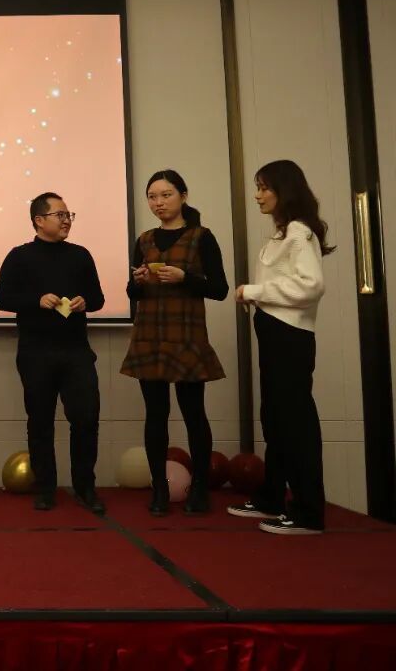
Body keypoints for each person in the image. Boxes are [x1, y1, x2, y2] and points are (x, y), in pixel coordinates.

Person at [229, 160, 331, 535]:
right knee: (275, 418)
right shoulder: (283, 233)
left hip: (290, 336)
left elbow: (311, 286)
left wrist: (254, 291)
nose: (257, 195)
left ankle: (307, 513)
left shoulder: (299, 233)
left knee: (294, 422)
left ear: (284, 190)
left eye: (264, 188)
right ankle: (272, 496)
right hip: (275, 333)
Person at [121, 170, 228, 515]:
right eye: (152, 196)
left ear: (183, 196)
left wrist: (186, 278)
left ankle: (200, 490)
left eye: (165, 195)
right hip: (149, 334)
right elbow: (133, 293)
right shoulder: (144, 240)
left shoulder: (201, 237)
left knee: (194, 414)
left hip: (186, 335)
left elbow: (220, 289)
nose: (158, 202)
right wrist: (137, 281)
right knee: (155, 415)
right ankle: (160, 490)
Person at [0, 192, 106, 513]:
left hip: (76, 352)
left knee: (86, 419)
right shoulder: (19, 256)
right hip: (36, 353)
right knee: (40, 422)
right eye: (60, 215)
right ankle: (45, 489)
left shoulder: (80, 255)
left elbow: (98, 299)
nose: (66, 220)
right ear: (39, 220)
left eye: (69, 214)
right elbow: (3, 298)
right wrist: (36, 300)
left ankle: (85, 488)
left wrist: (85, 302)